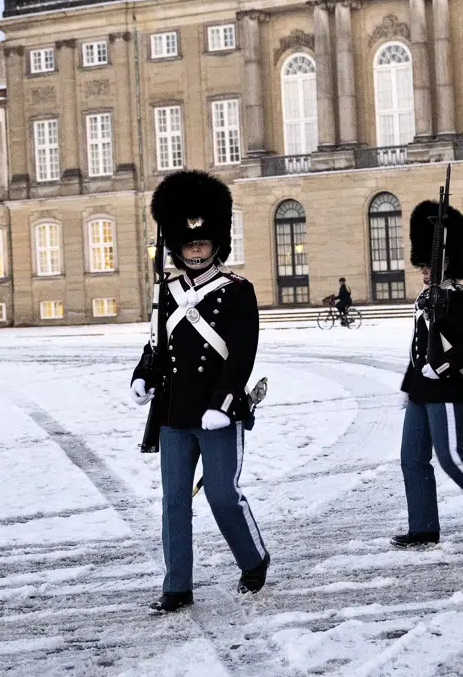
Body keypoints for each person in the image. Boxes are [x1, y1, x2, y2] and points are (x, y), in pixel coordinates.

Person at [130, 170, 269, 614]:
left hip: (216, 411)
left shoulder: (237, 291)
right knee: (174, 502)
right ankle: (177, 586)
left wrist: (224, 403)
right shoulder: (166, 292)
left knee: (222, 496)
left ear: (216, 244)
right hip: (173, 413)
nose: (195, 248)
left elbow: (241, 354)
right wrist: (142, 375)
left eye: (203, 242)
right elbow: (157, 344)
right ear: (177, 245)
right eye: (188, 243)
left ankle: (253, 558)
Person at [392, 200, 463, 548]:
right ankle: (423, 526)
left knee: (452, 457)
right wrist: (409, 384)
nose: (422, 272)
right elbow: (418, 345)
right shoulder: (426, 298)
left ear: (445, 264)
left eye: (427, 265)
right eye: (421, 266)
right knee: (411, 458)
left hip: (450, 387)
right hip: (423, 389)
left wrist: (443, 366)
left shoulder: (461, 298)